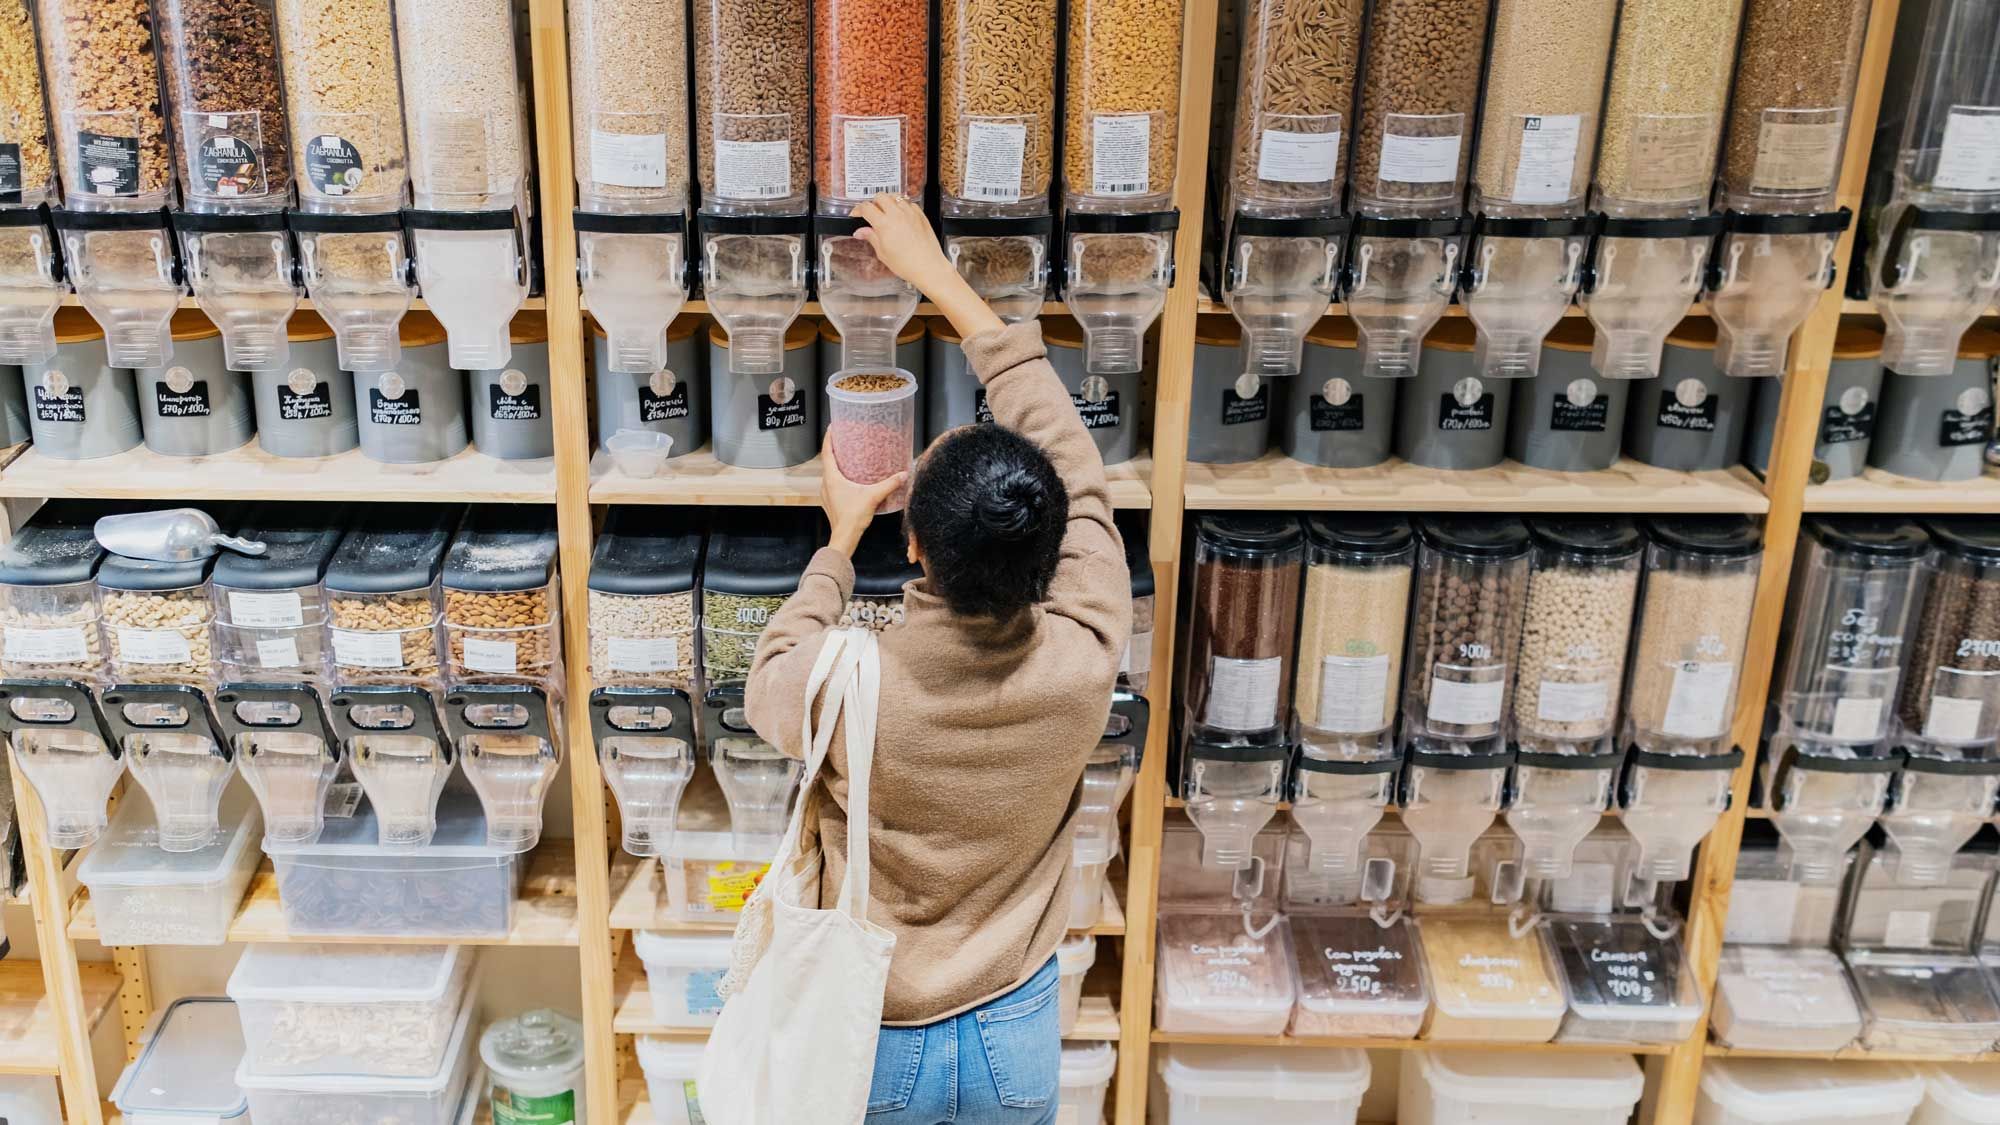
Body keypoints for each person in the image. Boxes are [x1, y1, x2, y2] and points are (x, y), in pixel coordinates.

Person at [743, 193, 1132, 1123]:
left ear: (911, 546)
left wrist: (837, 542)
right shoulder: (1087, 646)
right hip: (1019, 1028)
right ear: (1053, 551)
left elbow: (770, 677)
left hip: (878, 1032)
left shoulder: (847, 679)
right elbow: (1076, 467)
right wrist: (942, 280)